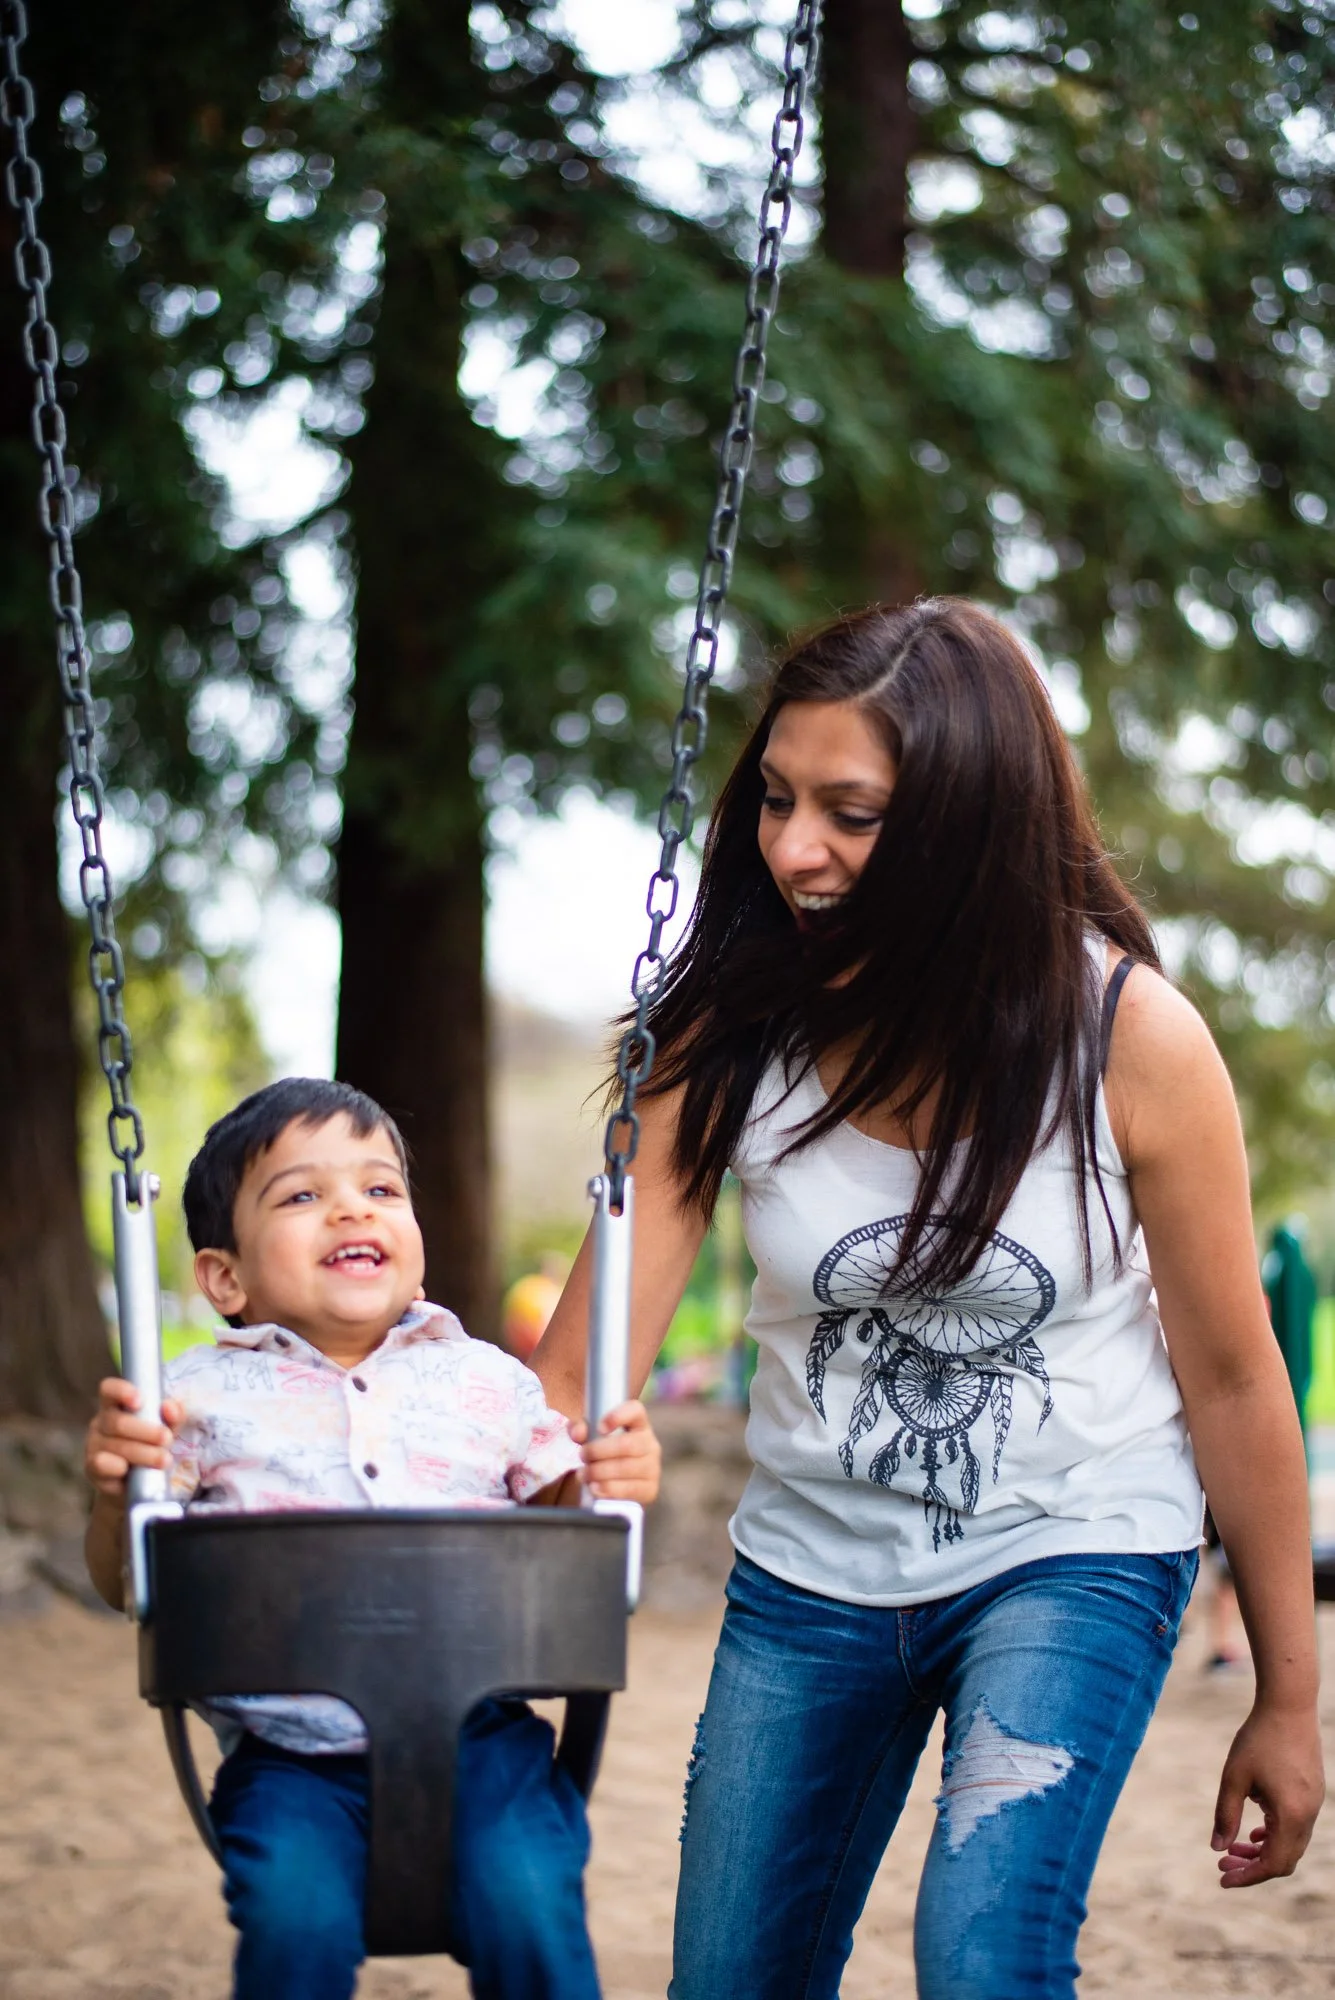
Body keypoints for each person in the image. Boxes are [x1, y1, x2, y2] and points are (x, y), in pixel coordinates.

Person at [532, 599, 1324, 2000]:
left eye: (849, 811)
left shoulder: (1125, 1038)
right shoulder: (719, 1041)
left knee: (979, 1951)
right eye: (774, 798)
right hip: (807, 1569)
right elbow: (572, 1380)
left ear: (967, 827)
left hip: (1073, 1537)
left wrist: (1287, 1689)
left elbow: (1231, 1377)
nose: (789, 848)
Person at [84, 1077, 660, 2000]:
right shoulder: (188, 1398)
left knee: (528, 1906)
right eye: (302, 1195)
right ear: (224, 1276)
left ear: (414, 1251)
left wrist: (603, 1483)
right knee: (291, 1920)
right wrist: (119, 1490)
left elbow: (563, 1525)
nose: (351, 1207)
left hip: (487, 1736)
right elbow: (131, 1581)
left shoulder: (488, 1380)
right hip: (288, 1757)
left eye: (380, 1189)